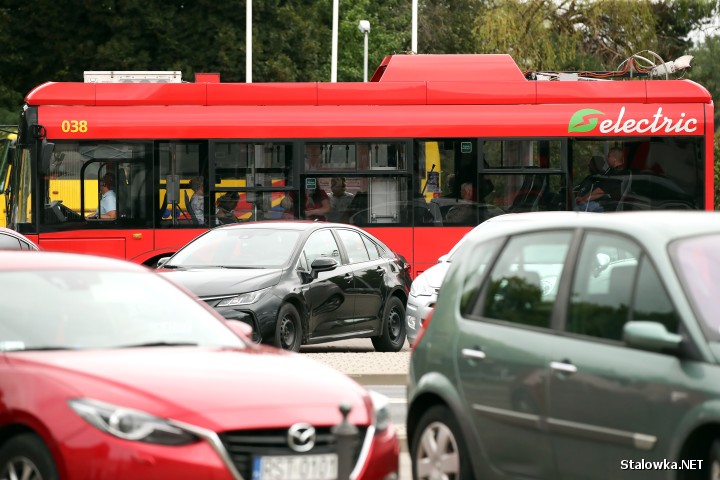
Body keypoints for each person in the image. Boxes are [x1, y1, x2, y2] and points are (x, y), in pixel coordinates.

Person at [575, 147, 629, 212]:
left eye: (609, 156)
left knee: (578, 209)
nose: (607, 159)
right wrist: (583, 199)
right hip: (606, 201)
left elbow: (600, 191)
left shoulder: (616, 173)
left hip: (609, 204)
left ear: (614, 159)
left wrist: (583, 199)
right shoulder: (619, 170)